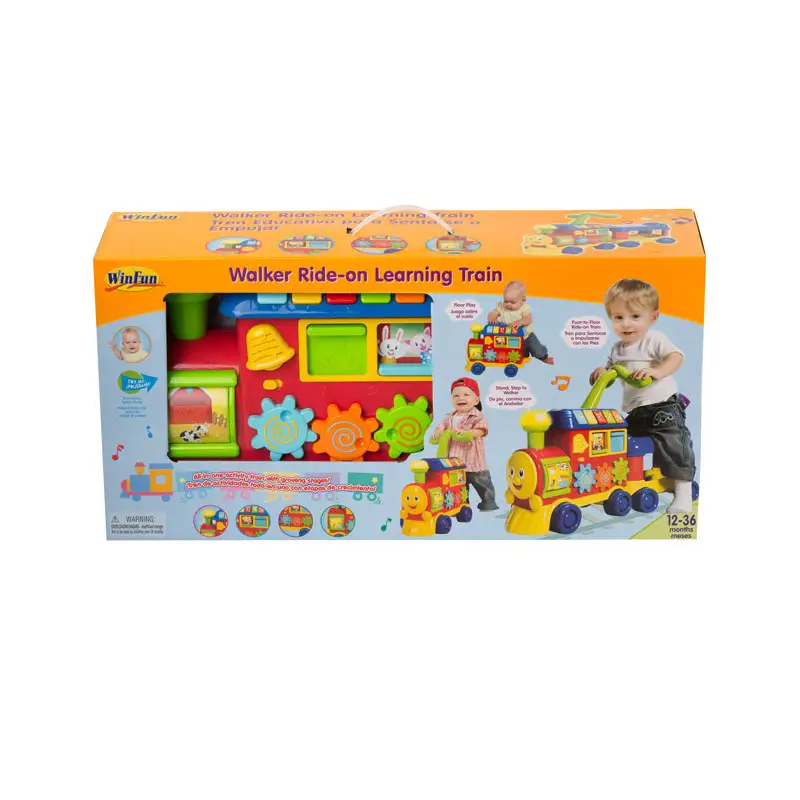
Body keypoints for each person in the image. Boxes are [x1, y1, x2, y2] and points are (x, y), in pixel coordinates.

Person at [590, 278, 696, 514]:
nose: (626, 323)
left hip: (663, 407)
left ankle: (683, 491)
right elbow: (610, 374)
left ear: (653, 317)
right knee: (616, 442)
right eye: (618, 317)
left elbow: (676, 357)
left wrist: (657, 371)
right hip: (636, 411)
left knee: (672, 441)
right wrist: (600, 373)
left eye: (635, 316)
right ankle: (623, 479)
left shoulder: (654, 339)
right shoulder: (617, 349)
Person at [430, 377, 498, 511]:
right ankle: (462, 504)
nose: (460, 398)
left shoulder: (477, 416)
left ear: (476, 400)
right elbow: (441, 426)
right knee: (459, 485)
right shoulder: (450, 417)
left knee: (482, 482)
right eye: (456, 395)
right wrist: (438, 431)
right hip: (455, 461)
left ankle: (488, 502)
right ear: (451, 400)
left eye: (466, 394)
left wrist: (469, 433)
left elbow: (481, 430)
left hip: (473, 460)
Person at [487, 279, 553, 364]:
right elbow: (493, 313)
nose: (508, 304)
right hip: (510, 338)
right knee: (517, 354)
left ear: (523, 301)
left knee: (538, 351)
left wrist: (519, 322)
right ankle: (524, 354)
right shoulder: (502, 307)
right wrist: (492, 317)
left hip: (527, 337)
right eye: (506, 301)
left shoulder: (523, 308)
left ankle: (544, 357)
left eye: (513, 302)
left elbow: (529, 319)